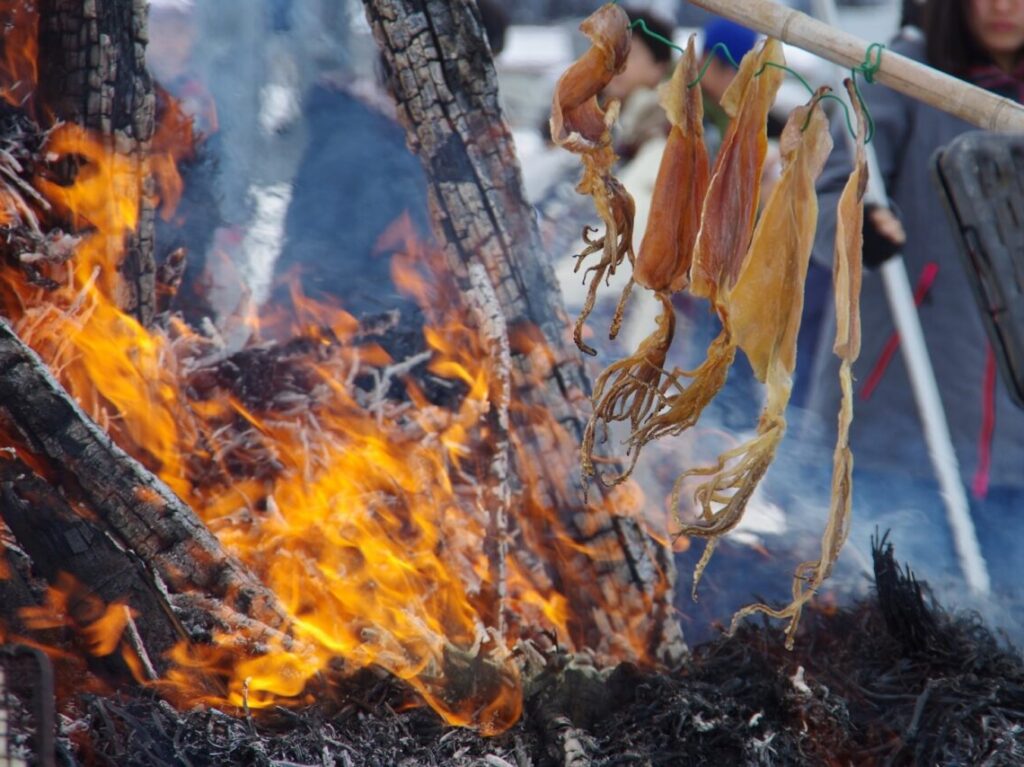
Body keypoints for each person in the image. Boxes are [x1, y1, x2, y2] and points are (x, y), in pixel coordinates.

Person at [807, 0, 1024, 598]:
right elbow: (830, 192)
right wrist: (863, 226)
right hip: (900, 419)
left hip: (1015, 440)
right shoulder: (896, 73)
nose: (1004, 6)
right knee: (883, 624)